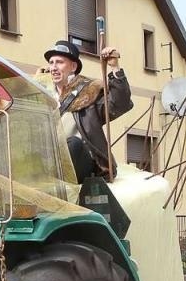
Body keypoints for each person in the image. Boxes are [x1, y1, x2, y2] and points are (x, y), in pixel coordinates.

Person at [43, 39, 133, 181]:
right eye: (51, 62)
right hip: (51, 161)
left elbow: (120, 103)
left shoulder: (89, 92)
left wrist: (115, 68)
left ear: (73, 66)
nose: (54, 67)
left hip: (82, 161)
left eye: (59, 62)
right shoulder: (44, 95)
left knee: (73, 144)